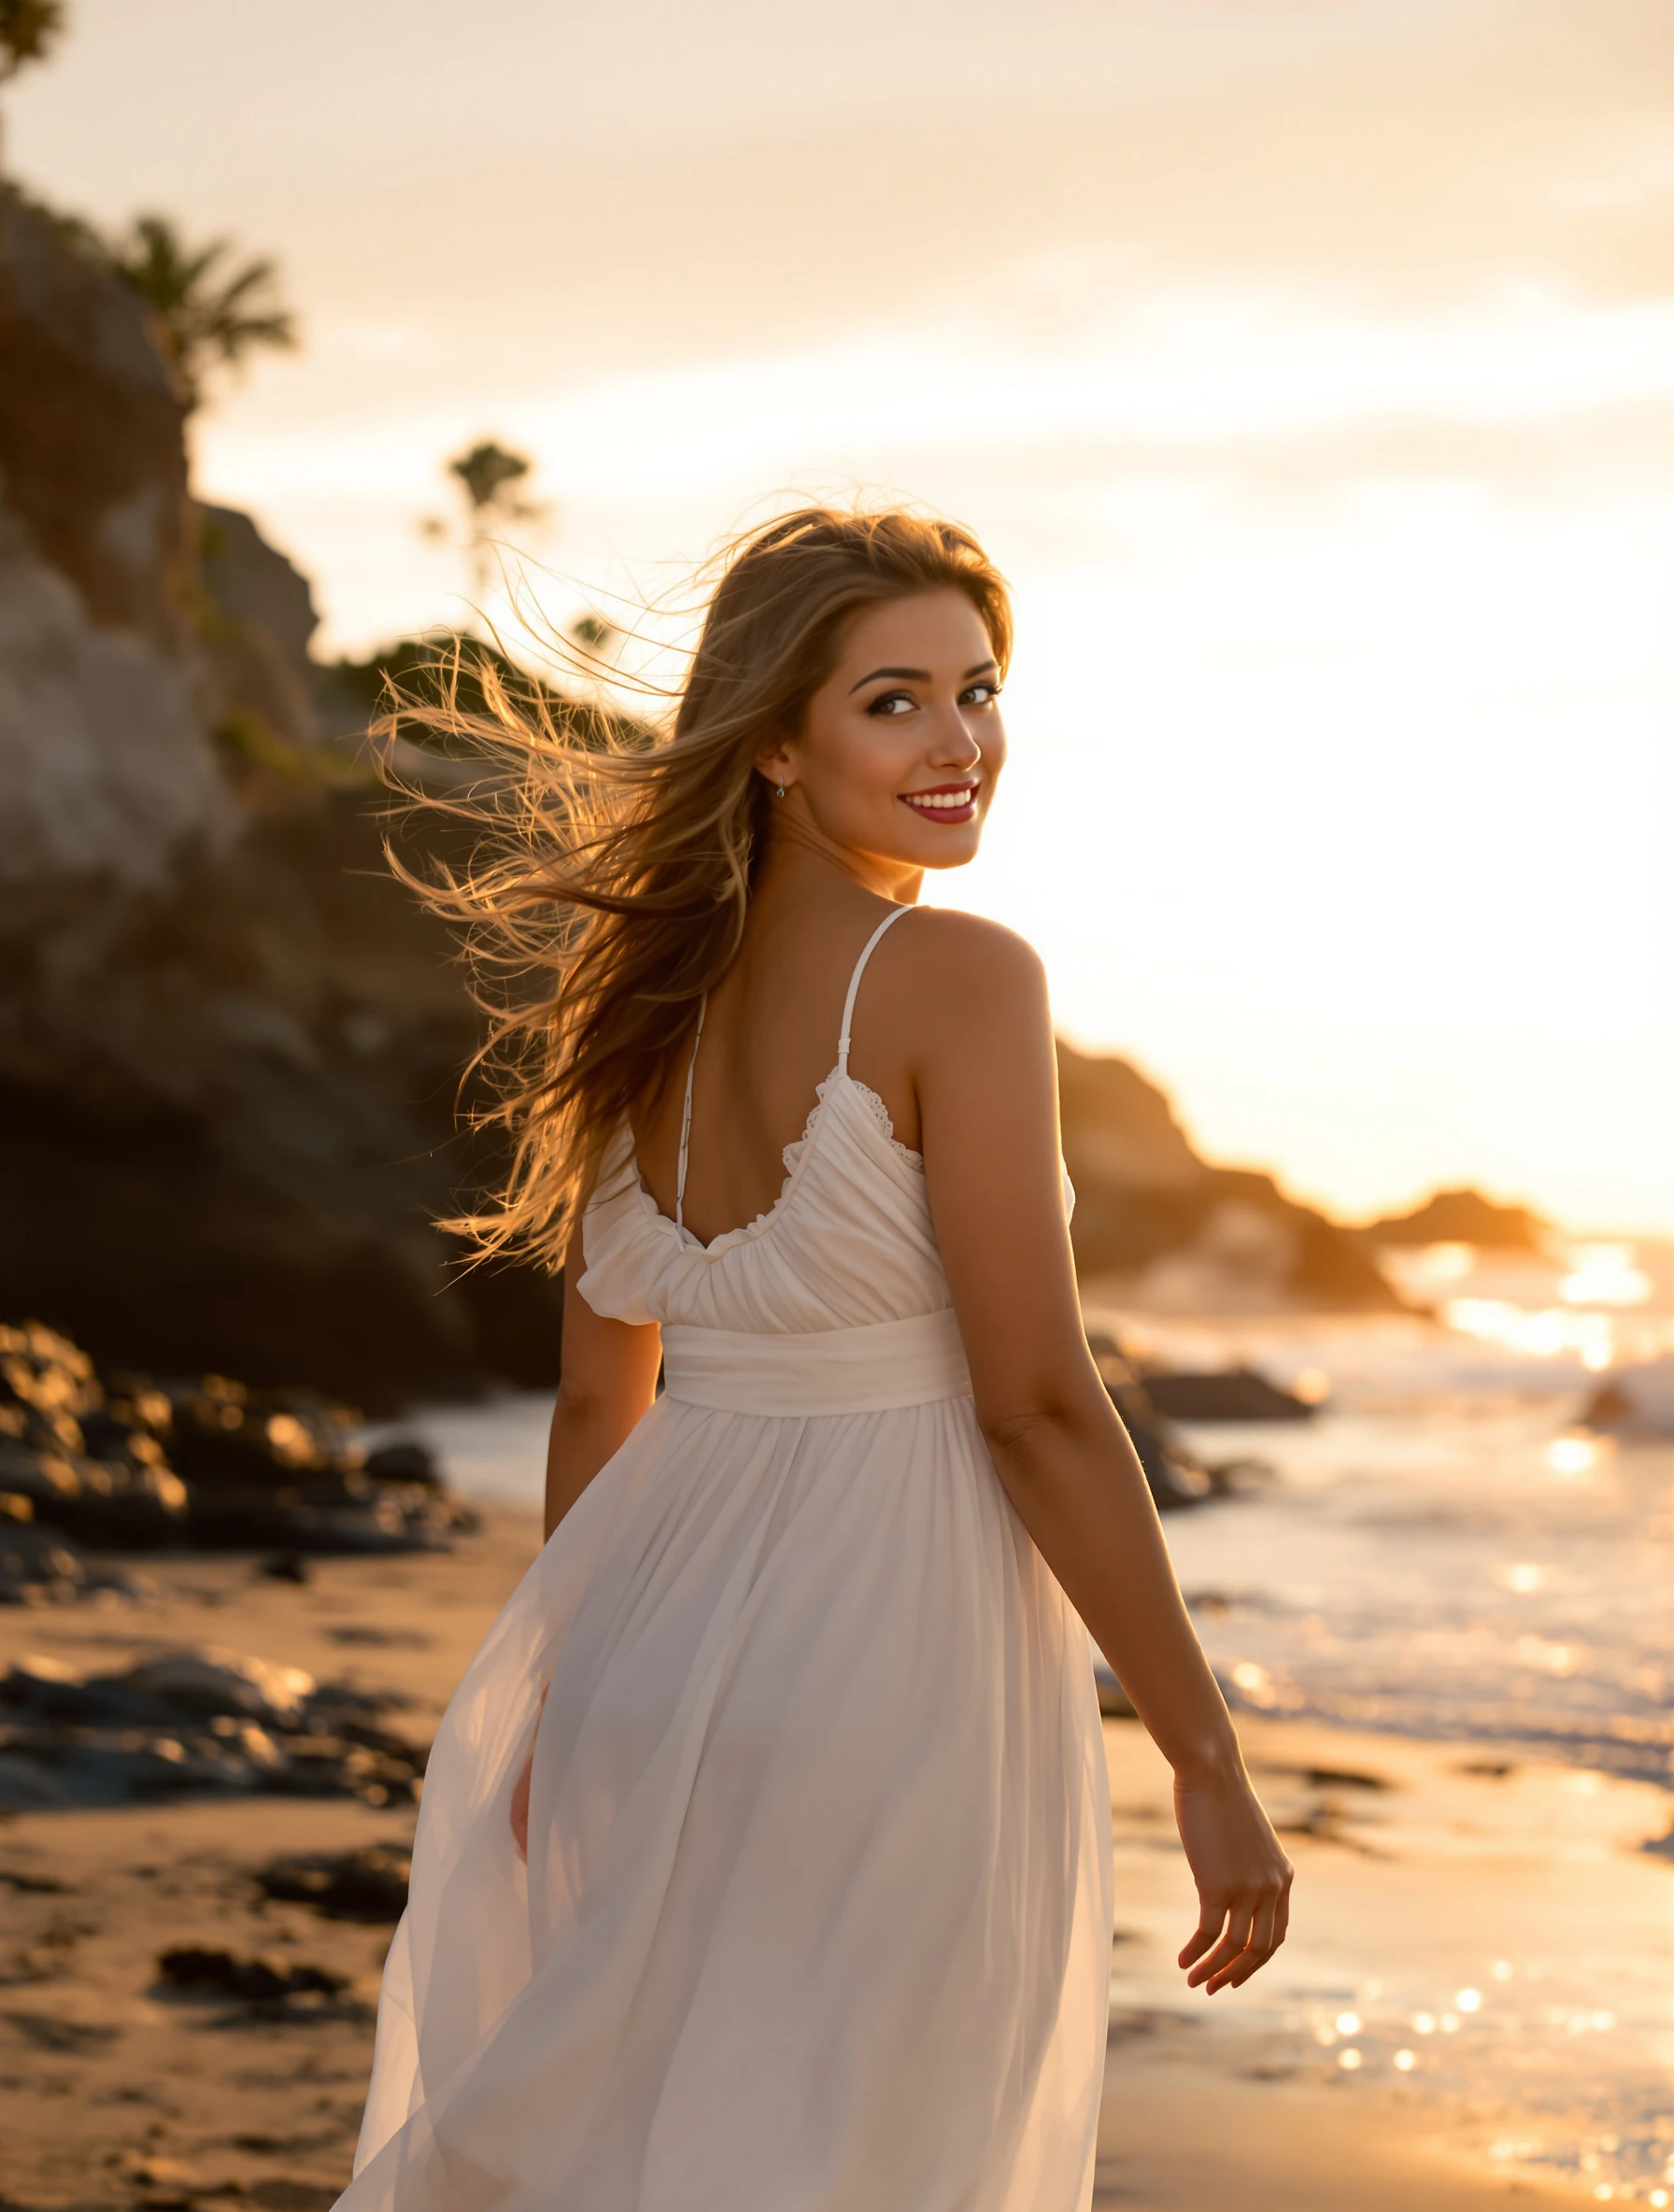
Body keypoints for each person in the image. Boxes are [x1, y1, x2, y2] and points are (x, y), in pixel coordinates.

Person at [338, 507, 1292, 2211]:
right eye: (895, 701)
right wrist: (1202, 1756)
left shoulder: (628, 995)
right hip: (891, 1652)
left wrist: (559, 1700)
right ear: (775, 741)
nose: (960, 744)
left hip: (645, 1634)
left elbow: (594, 1393)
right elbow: (1041, 1407)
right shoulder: (959, 977)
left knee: (650, 2146)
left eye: (979, 690)